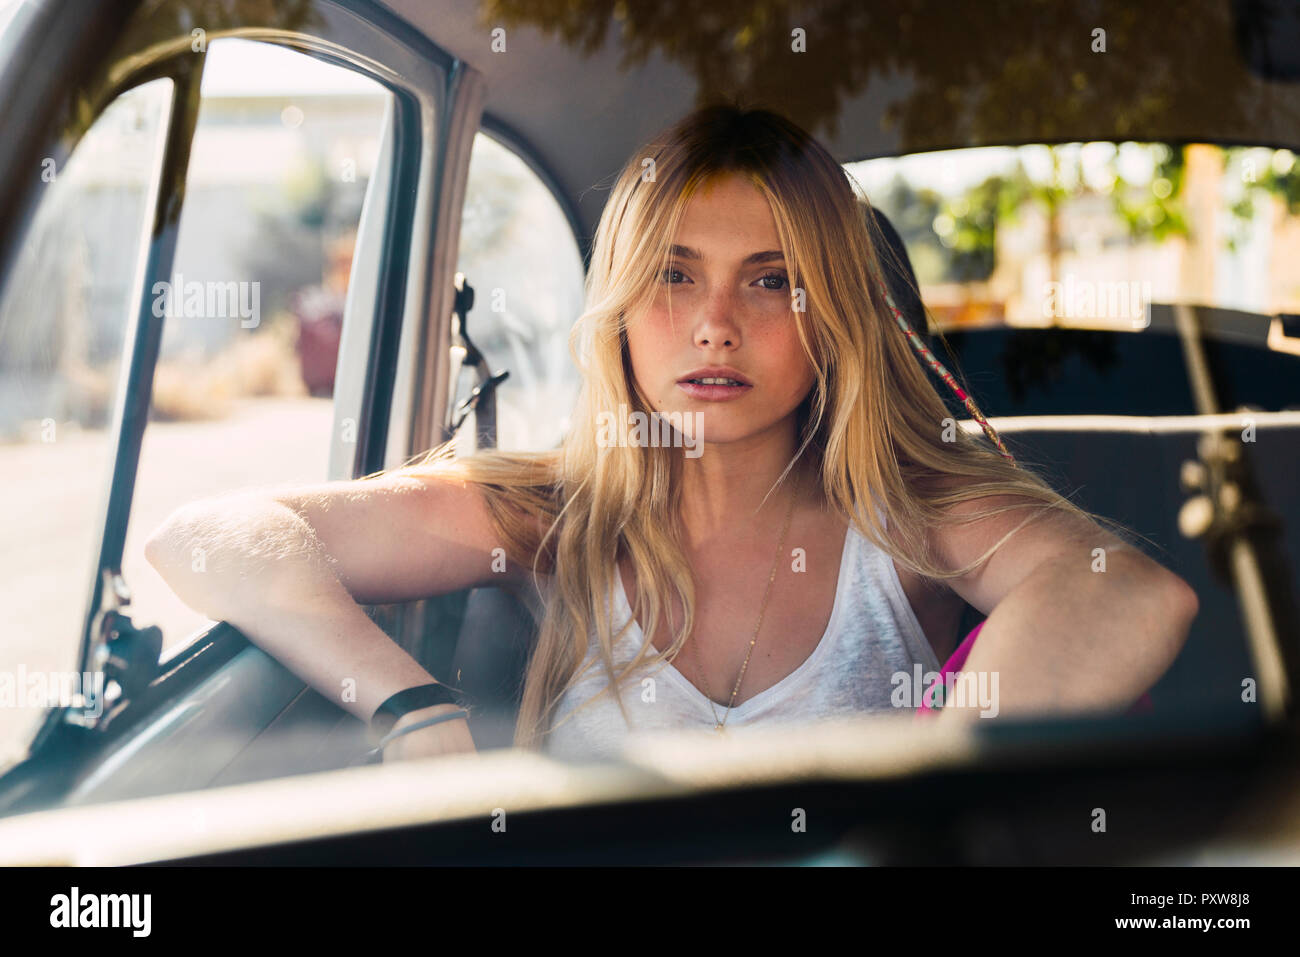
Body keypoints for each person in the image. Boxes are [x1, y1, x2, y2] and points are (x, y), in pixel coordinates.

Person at [144, 105, 1198, 764]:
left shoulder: (908, 511)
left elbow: (1126, 592)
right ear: (618, 305)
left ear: (830, 312)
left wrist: (933, 801)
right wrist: (410, 708)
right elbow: (208, 534)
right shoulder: (552, 510)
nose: (714, 324)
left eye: (771, 281)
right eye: (673, 274)